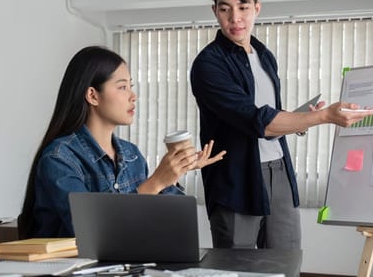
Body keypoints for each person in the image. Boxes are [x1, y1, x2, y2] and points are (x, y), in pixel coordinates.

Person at [190, 0, 373, 249]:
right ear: (215, 11)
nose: (235, 18)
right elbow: (254, 120)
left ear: (257, 8)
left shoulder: (264, 56)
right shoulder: (208, 65)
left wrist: (302, 116)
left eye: (243, 7)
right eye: (225, 9)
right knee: (236, 269)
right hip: (236, 179)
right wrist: (320, 117)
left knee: (286, 262)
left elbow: (268, 118)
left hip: (278, 171)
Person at [19, 46, 226, 238]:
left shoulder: (131, 154)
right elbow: (90, 231)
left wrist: (175, 173)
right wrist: (155, 183)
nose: (133, 96)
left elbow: (166, 223)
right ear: (92, 95)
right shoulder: (59, 158)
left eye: (131, 86)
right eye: (122, 87)